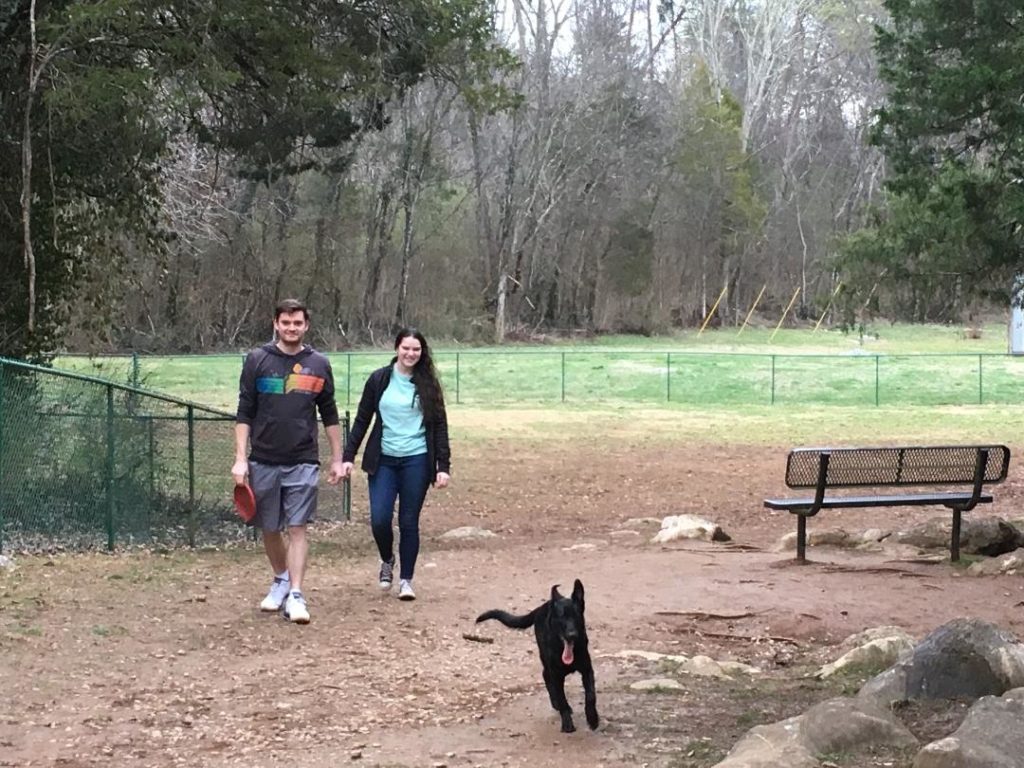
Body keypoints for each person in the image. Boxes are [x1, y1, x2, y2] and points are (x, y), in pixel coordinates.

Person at [232, 298, 345, 624]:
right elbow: (244, 412)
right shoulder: (257, 360)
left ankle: (296, 594)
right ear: (276, 324)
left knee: (297, 527)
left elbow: (330, 414)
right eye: (286, 323)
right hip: (263, 459)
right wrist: (240, 459)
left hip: (303, 459)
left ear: (306, 325)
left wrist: (337, 459)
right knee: (270, 527)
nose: (291, 328)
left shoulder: (319, 363)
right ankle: (281, 578)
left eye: (297, 323)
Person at [342, 328, 451, 601]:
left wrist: (443, 466)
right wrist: (347, 456)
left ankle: (406, 580)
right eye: (406, 348)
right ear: (396, 348)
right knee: (380, 519)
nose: (411, 354)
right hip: (384, 460)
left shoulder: (428, 384)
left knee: (408, 521)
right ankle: (387, 559)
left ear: (422, 352)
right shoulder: (379, 379)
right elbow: (362, 420)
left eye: (416, 349)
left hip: (417, 459)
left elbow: (440, 427)